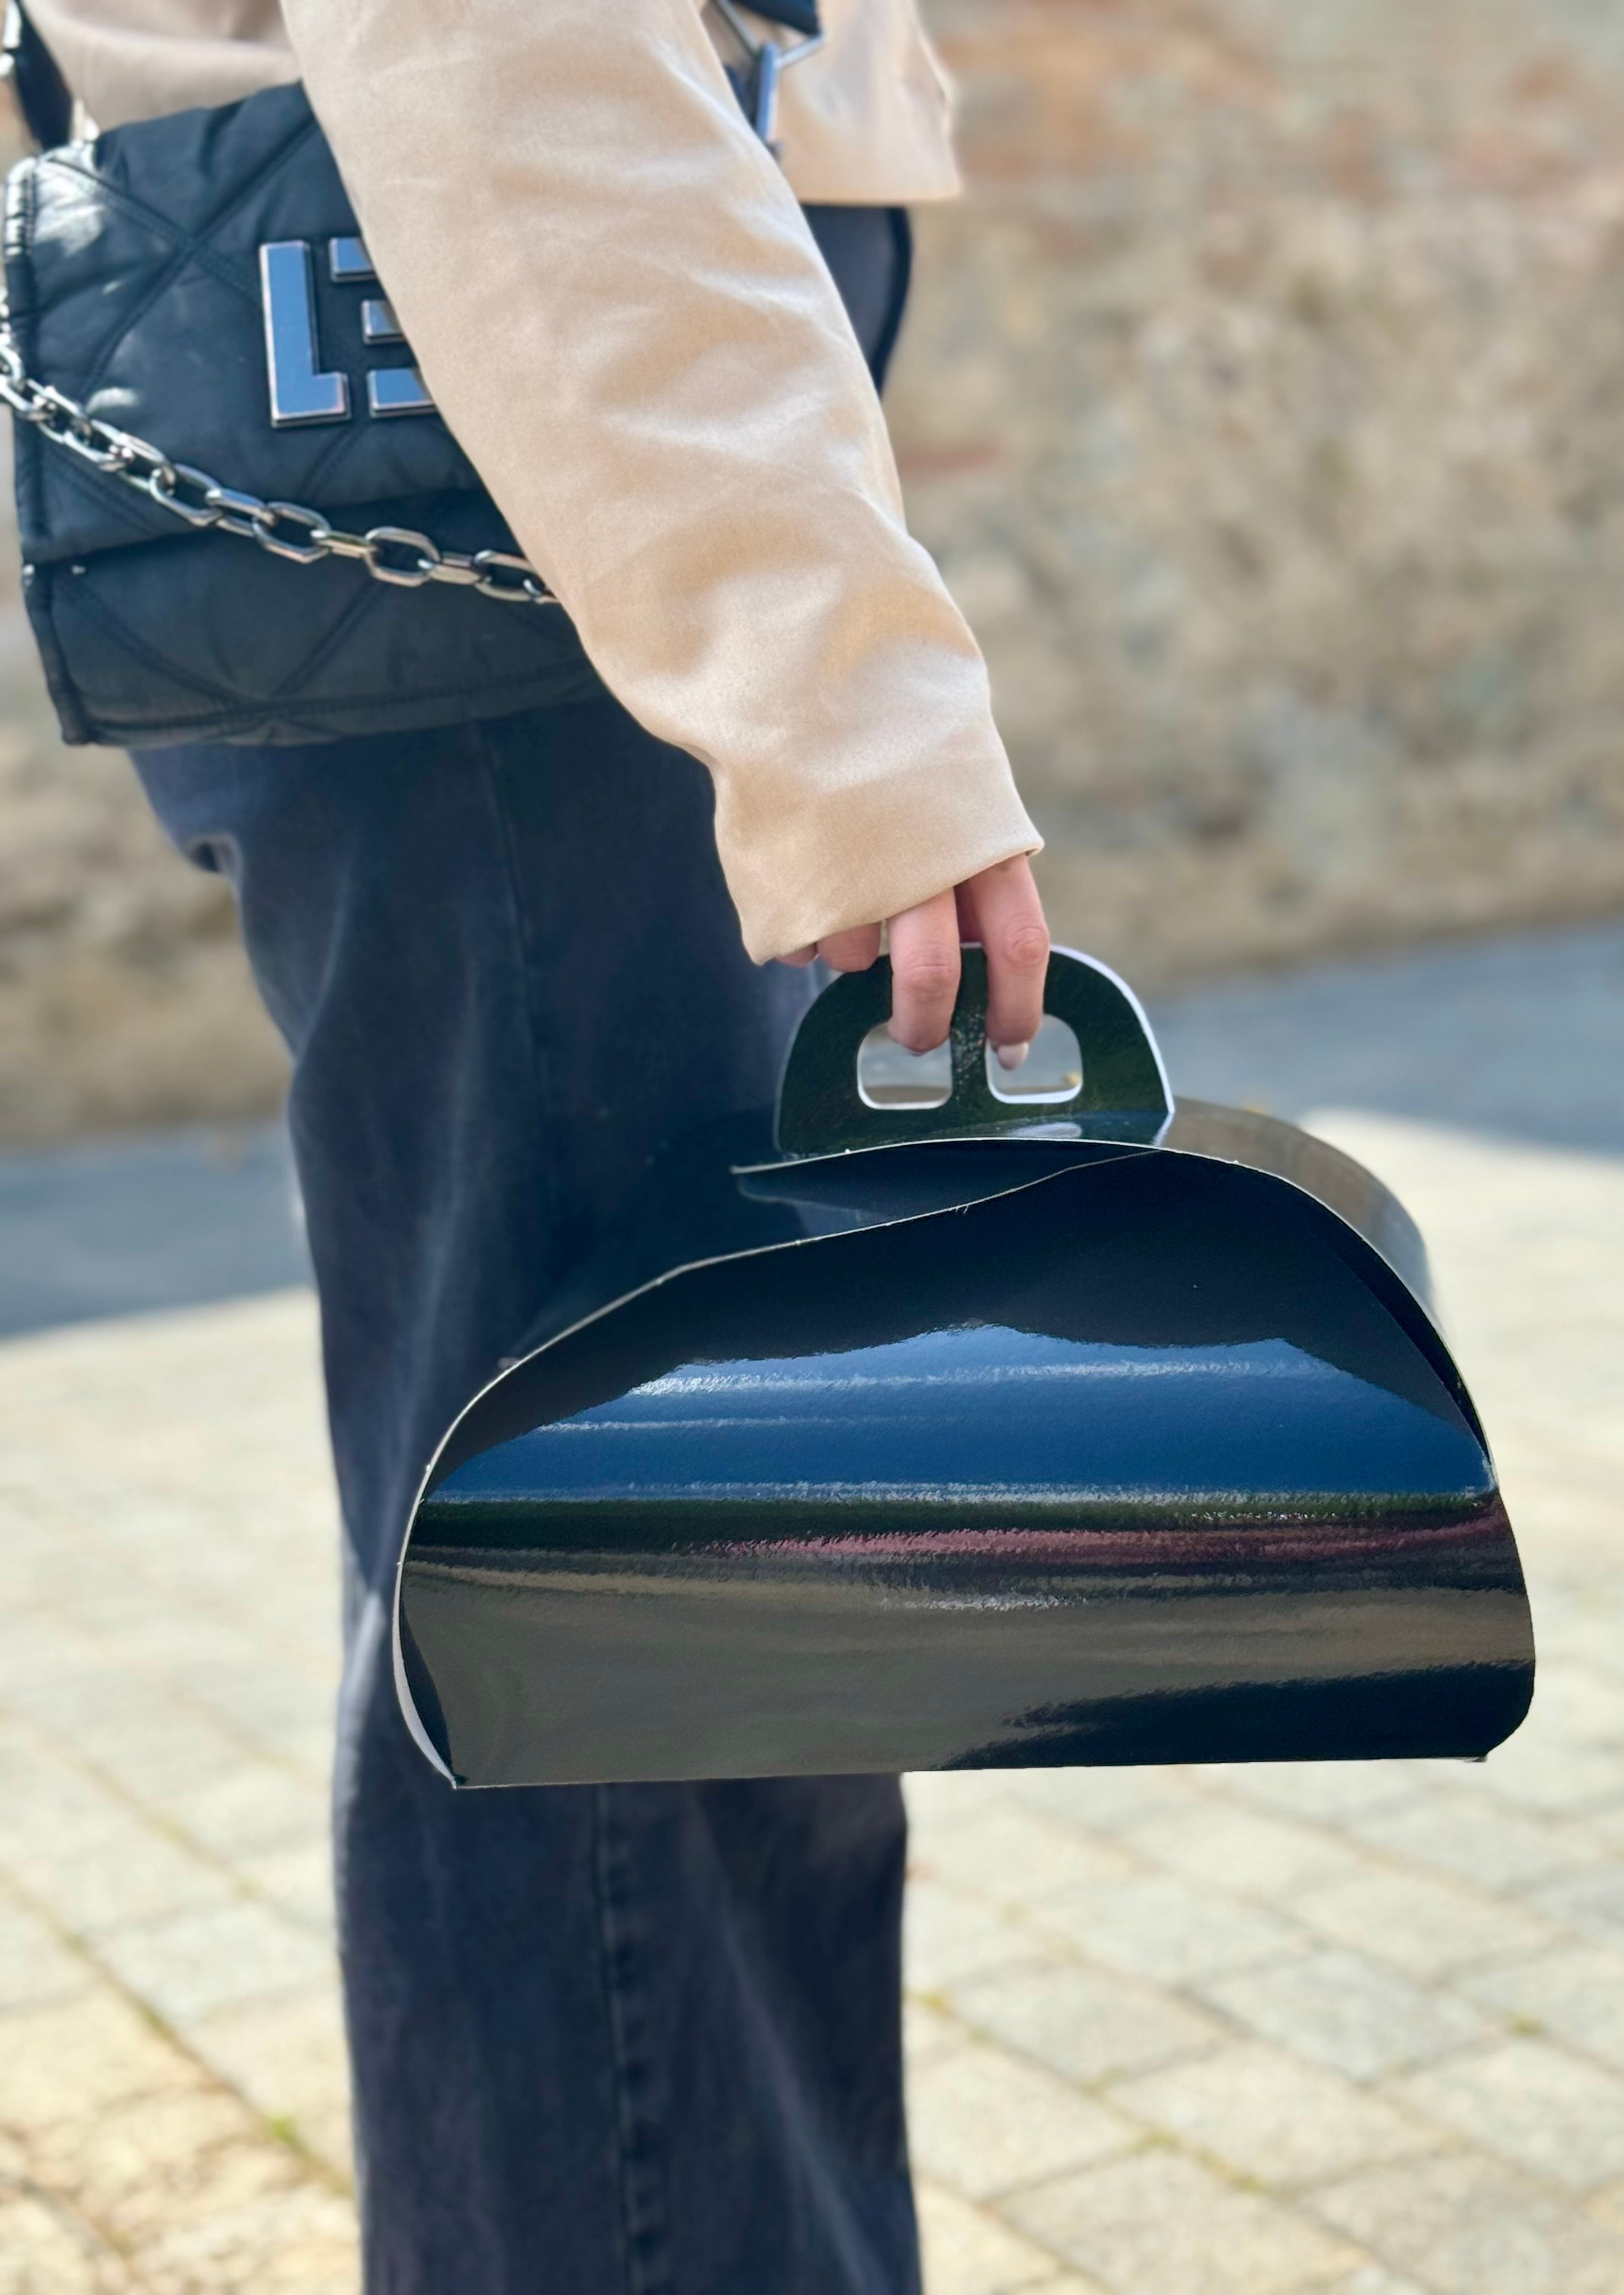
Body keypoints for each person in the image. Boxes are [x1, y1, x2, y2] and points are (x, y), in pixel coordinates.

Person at [24, 3, 1048, 2286]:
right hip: (501, 511)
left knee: (691, 1600)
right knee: (601, 1614)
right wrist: (843, 717)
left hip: (527, 478)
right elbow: (509, 58)